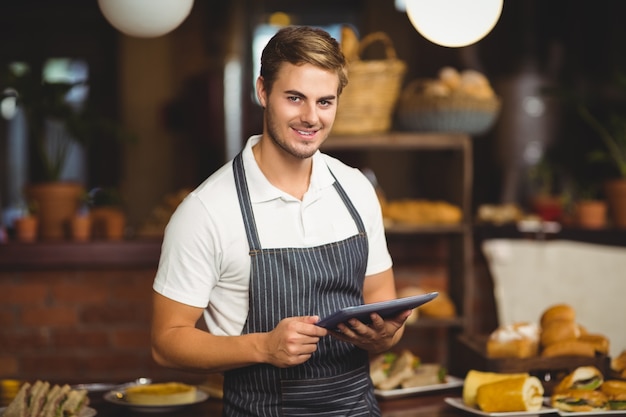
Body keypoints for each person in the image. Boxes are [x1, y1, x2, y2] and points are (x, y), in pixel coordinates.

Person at [151, 25, 410, 416]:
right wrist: (263, 347)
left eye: (325, 102)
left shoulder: (356, 190)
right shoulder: (206, 210)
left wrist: (383, 337)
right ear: (262, 91)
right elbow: (165, 343)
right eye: (295, 98)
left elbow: (383, 308)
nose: (311, 117)